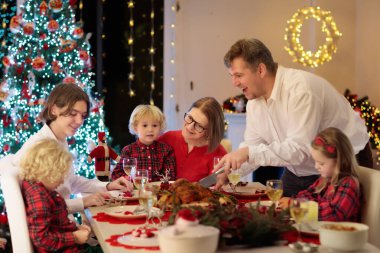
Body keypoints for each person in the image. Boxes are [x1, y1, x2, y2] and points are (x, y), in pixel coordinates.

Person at [215, 38, 372, 196]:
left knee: (322, 218)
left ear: (261, 70)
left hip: (343, 162)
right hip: (298, 168)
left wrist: (249, 152)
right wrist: (229, 172)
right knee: (279, 214)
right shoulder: (254, 104)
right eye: (232, 76)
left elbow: (299, 149)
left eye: (238, 75)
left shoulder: (300, 89)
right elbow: (253, 144)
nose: (234, 83)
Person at [11, 83, 133, 213]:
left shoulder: (59, 139)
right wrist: (83, 202)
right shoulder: (39, 148)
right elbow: (40, 207)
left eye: (83, 115)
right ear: (53, 110)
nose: (80, 121)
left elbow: (70, 182)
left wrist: (108, 185)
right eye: (73, 113)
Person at [20, 138, 99, 252]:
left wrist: (75, 229)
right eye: (61, 175)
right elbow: (41, 239)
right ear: (48, 172)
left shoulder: (38, 188)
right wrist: (75, 237)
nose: (62, 181)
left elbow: (56, 224)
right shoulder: (39, 197)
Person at [278, 128, 361, 221]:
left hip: (337, 234)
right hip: (320, 229)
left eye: (321, 163)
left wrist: (296, 205)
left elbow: (334, 215)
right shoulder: (325, 180)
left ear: (339, 161)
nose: (316, 167)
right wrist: (293, 202)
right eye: (315, 162)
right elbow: (309, 194)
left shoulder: (349, 184)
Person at [158, 97, 227, 182]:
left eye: (199, 125)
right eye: (190, 118)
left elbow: (216, 191)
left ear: (210, 132)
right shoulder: (167, 138)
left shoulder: (219, 154)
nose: (189, 127)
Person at [111, 104, 176, 181]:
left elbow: (170, 176)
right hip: (135, 191)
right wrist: (128, 179)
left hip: (158, 191)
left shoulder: (166, 150)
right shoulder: (128, 151)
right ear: (135, 128)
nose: (150, 129)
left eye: (155, 125)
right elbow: (116, 175)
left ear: (160, 127)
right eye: (145, 125)